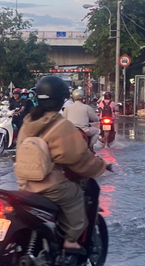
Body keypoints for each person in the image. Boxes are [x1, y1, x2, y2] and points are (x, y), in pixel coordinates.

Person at [16, 76, 109, 253]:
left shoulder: (28, 122)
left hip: (24, 184)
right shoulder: (62, 125)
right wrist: (101, 166)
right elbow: (79, 159)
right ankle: (71, 240)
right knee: (75, 196)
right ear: (60, 100)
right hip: (50, 186)